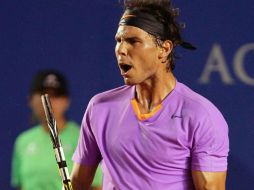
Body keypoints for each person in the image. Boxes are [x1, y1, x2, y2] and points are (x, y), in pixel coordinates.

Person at [70, 0, 229, 189]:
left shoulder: (202, 116)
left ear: (164, 49)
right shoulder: (99, 107)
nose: (121, 49)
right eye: (119, 40)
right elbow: (79, 183)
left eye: (133, 41)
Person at [11, 70, 102, 190]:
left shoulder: (83, 138)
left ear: (67, 101)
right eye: (43, 94)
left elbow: (97, 186)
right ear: (31, 100)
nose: (49, 101)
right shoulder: (23, 141)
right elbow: (20, 185)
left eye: (56, 95)